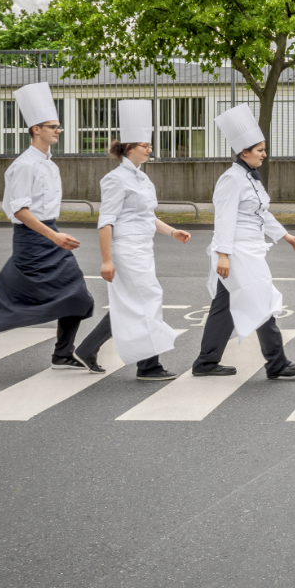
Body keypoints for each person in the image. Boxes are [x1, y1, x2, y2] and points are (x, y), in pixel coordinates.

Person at [0, 82, 103, 372]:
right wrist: (54, 235)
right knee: (17, 301)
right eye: (53, 126)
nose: (58, 130)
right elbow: (19, 211)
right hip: (33, 240)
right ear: (36, 129)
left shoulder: (49, 163)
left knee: (79, 298)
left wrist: (55, 234)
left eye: (59, 126)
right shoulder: (24, 165)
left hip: (51, 235)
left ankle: (62, 354)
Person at [70, 100, 190, 380]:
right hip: (126, 250)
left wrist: (172, 231)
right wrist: (106, 260)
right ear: (129, 147)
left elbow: (147, 217)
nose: (150, 148)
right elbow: (106, 222)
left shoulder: (143, 179)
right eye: (145, 144)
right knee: (148, 301)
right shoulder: (115, 179)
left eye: (150, 145)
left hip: (143, 249)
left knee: (134, 304)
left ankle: (87, 349)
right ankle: (148, 366)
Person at [192, 104, 295, 381]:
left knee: (224, 306)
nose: (264, 155)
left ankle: (206, 361)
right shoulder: (231, 179)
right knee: (262, 301)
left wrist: (284, 234)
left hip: (251, 248)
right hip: (239, 251)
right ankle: (276, 362)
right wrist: (223, 254)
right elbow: (224, 219)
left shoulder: (250, 178)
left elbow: (260, 213)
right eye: (260, 150)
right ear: (244, 152)